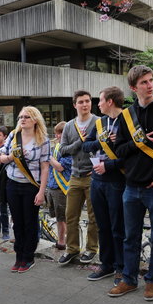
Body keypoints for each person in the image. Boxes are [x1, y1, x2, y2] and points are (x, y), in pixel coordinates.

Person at [108, 65, 153, 301]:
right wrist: (139, 143)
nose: (150, 85)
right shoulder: (126, 116)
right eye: (144, 82)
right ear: (133, 87)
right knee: (130, 237)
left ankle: (152, 280)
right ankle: (129, 279)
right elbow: (118, 150)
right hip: (131, 187)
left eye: (151, 80)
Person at [83, 86, 126, 286]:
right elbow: (86, 145)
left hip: (117, 181)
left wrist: (108, 163)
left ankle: (121, 267)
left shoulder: (128, 120)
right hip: (97, 181)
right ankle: (106, 264)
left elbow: (132, 153)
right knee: (102, 226)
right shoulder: (100, 123)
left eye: (100, 100)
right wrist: (103, 142)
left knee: (118, 227)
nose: (97, 104)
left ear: (110, 101)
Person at [0, 106, 50, 273]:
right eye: (21, 116)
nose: (22, 119)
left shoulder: (43, 139)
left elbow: (45, 167)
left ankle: (28, 257)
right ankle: (18, 255)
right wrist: (11, 157)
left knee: (30, 222)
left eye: (27, 117)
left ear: (35, 120)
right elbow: (1, 158)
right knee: (17, 222)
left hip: (31, 186)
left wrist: (41, 192)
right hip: (12, 184)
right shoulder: (14, 135)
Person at [58, 90, 99, 265]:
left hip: (93, 176)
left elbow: (104, 147)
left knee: (93, 216)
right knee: (71, 215)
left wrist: (97, 167)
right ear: (75, 105)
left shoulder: (98, 122)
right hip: (74, 176)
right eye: (81, 102)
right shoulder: (69, 126)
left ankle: (91, 249)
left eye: (87, 101)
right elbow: (62, 150)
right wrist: (79, 143)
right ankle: (72, 249)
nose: (85, 104)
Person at [46, 121, 72, 251]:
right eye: (56, 133)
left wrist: (48, 157)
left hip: (61, 188)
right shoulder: (55, 148)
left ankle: (63, 242)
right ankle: (61, 239)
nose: (57, 136)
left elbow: (60, 167)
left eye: (60, 133)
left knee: (63, 218)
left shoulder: (68, 149)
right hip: (52, 186)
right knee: (57, 217)